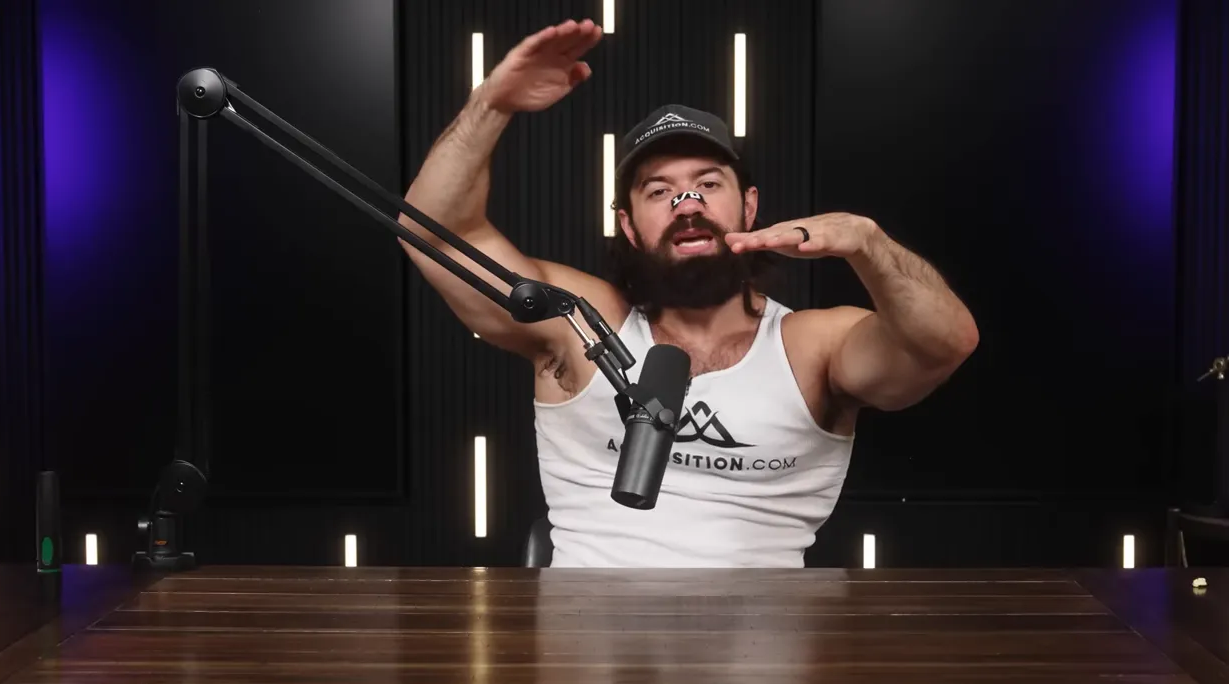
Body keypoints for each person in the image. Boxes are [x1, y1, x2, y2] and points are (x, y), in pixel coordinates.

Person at [397, 19, 978, 568]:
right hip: (584, 652)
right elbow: (433, 234)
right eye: (660, 191)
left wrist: (868, 242)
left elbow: (943, 343)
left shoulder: (811, 346)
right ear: (628, 225)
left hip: (761, 654)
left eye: (707, 184)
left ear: (747, 206)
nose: (689, 205)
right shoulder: (577, 322)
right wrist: (491, 104)